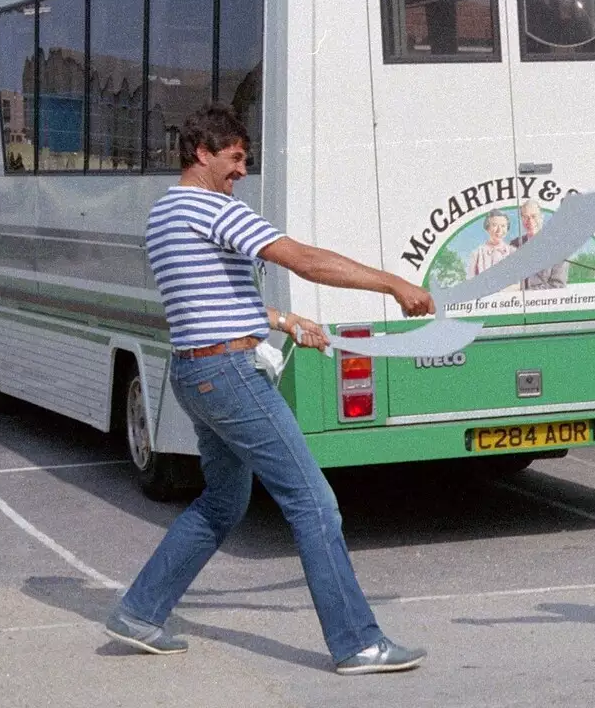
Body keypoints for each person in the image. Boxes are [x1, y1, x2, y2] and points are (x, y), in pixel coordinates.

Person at [105, 105, 436, 675]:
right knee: (313, 503)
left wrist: (282, 322)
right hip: (230, 375)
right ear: (202, 153)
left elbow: (208, 298)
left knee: (222, 503)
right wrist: (392, 282)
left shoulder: (165, 212)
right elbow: (302, 259)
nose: (241, 172)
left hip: (196, 371)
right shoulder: (211, 208)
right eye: (234, 159)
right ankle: (357, 642)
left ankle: (139, 612)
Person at [513, 199, 569, 289]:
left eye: (534, 216)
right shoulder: (514, 245)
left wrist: (526, 292)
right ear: (521, 219)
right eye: (525, 217)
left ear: (542, 217)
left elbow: (558, 285)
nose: (530, 221)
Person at [467, 209, 516, 280]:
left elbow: (518, 283)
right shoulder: (477, 254)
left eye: (503, 226)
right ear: (487, 227)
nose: (499, 230)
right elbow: (470, 283)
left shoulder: (513, 252)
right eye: (495, 225)